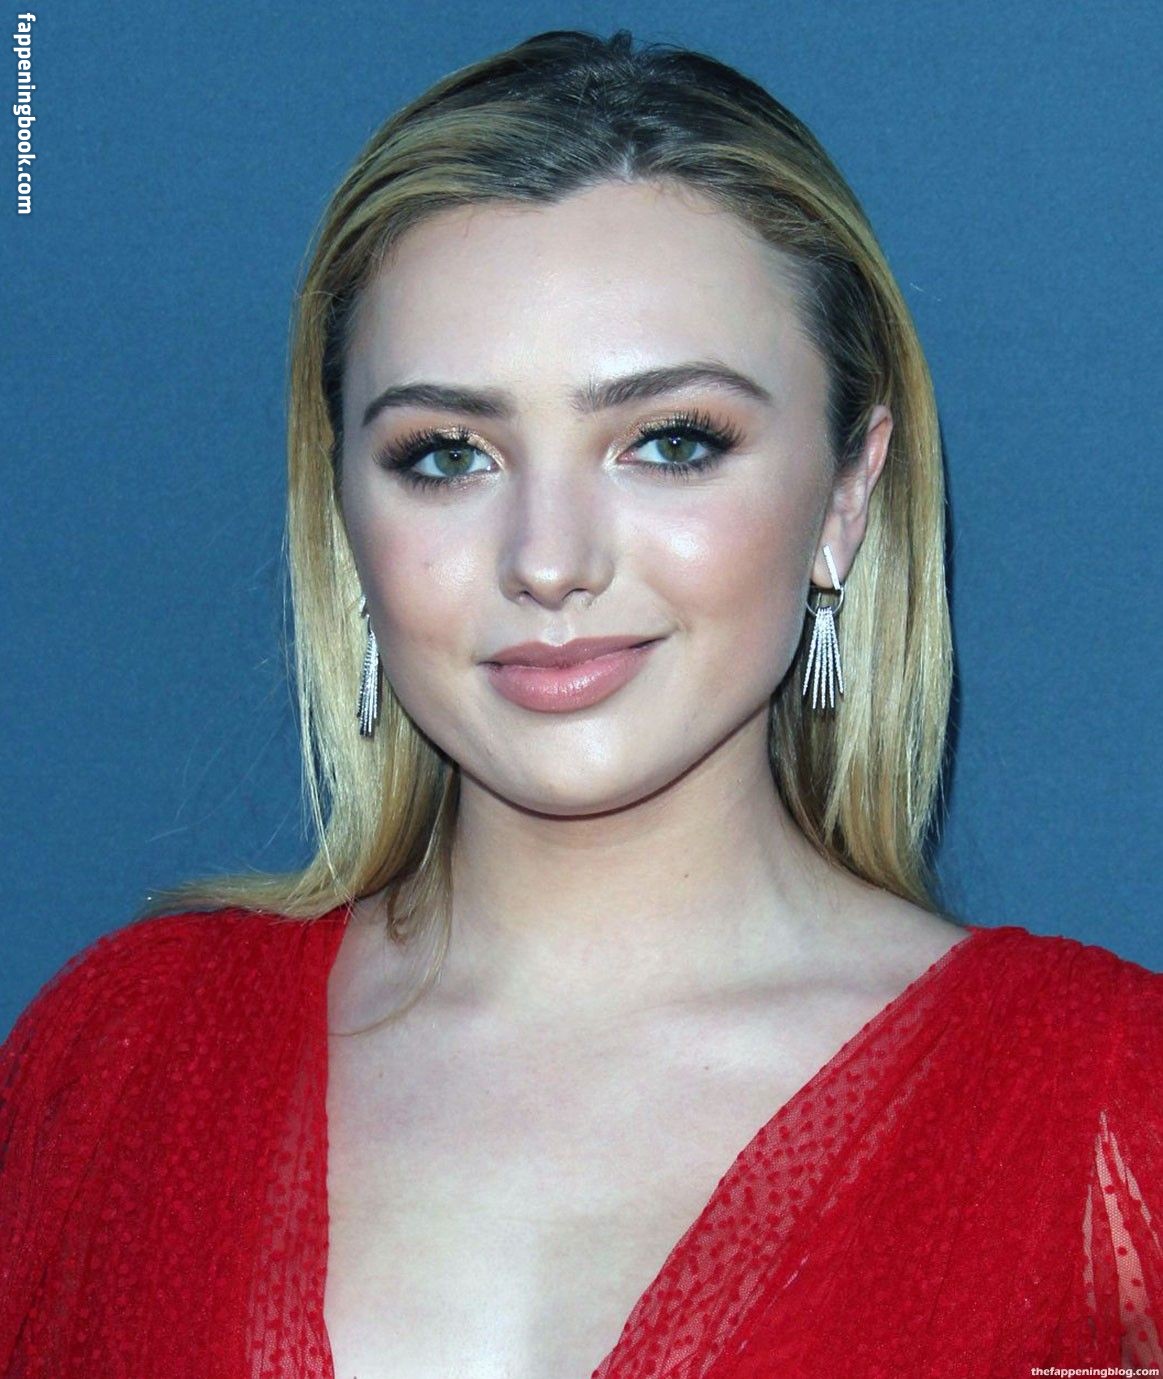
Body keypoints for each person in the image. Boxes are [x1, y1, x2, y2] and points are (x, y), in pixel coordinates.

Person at [1, 26, 1159, 1379]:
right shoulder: (120, 1061)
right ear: (346, 514)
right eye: (447, 456)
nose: (548, 561)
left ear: (848, 491)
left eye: (671, 442)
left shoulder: (1110, 1111)